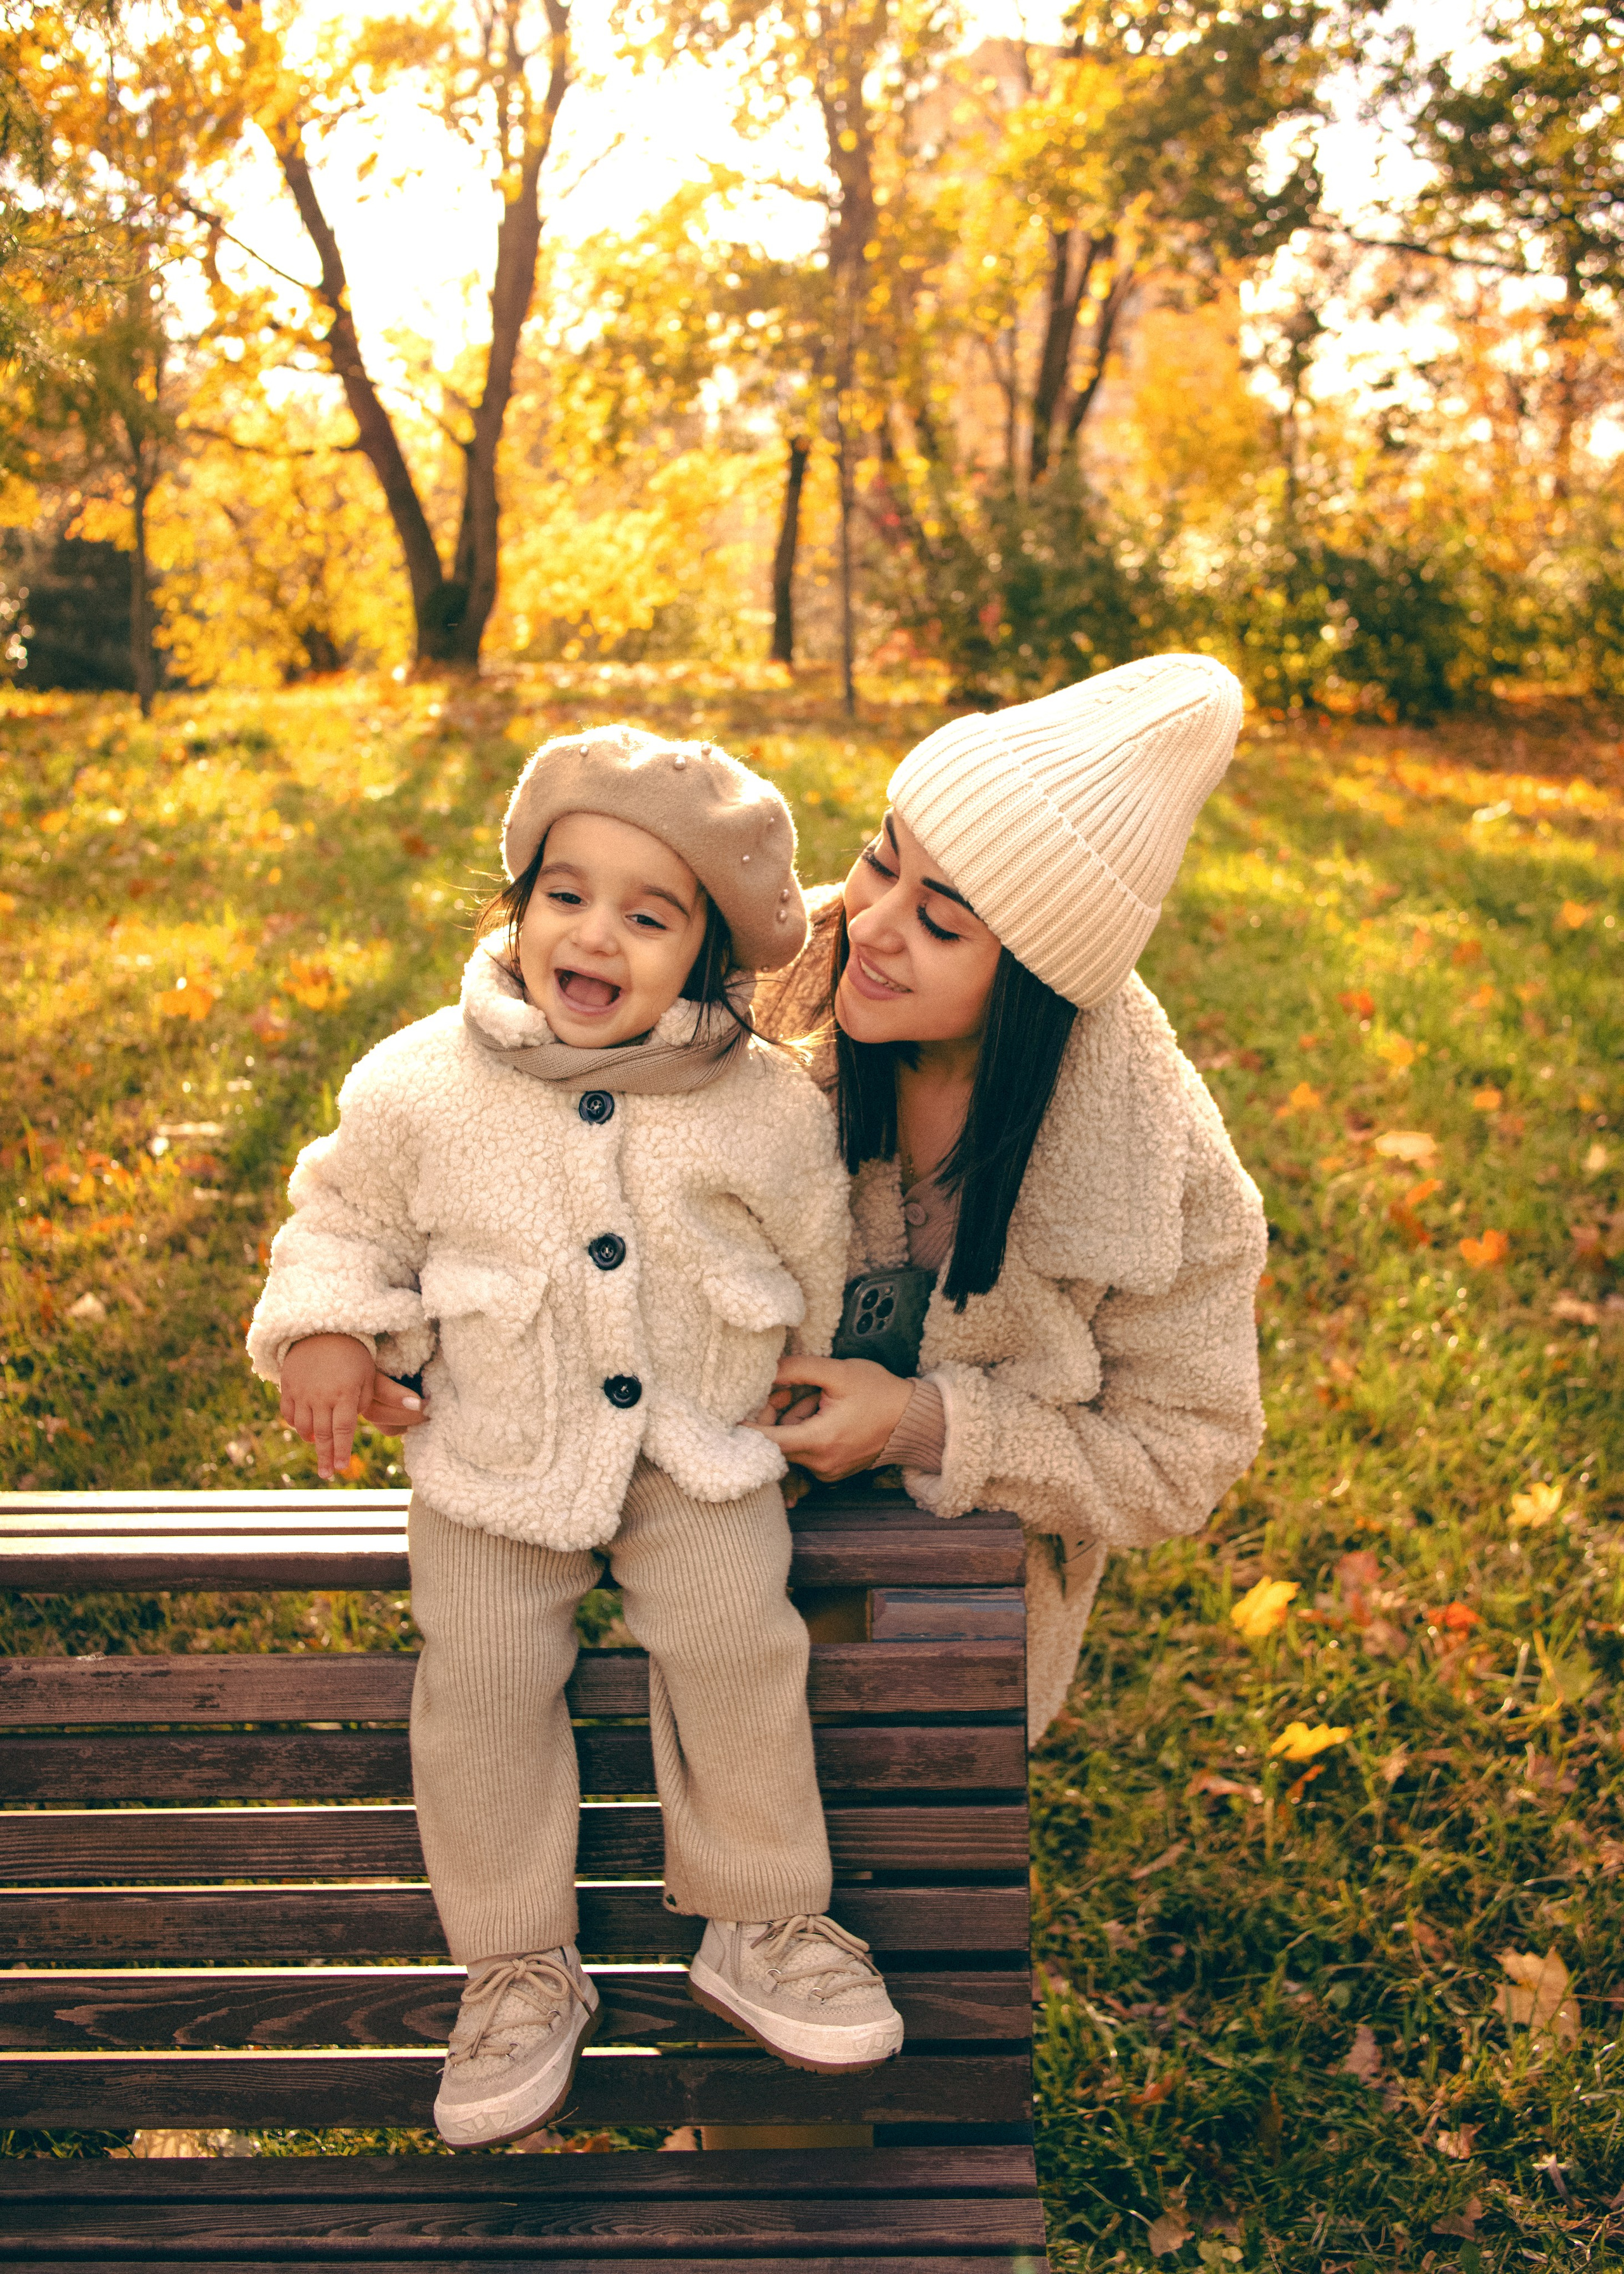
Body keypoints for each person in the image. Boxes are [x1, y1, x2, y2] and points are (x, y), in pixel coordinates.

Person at [247, 728, 905, 2151]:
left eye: (646, 913)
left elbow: (819, 1249)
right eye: (565, 892)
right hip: (492, 1450)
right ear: (519, 905)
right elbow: (342, 1220)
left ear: (706, 955)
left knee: (741, 1639)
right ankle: (515, 1964)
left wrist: (816, 1377)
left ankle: (763, 1916)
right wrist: (327, 1331)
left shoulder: (766, 1108)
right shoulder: (420, 1083)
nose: (592, 931)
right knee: (480, 1677)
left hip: (696, 1446)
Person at [751, 654, 1269, 1739]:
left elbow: (1184, 1454)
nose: (874, 925)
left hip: (966, 1599)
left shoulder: (1168, 1173)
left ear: (1036, 978)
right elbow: (517, 1022)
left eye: (943, 924)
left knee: (885, 1834)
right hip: (712, 1542)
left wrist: (922, 1426)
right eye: (878, 861)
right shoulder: (748, 974)